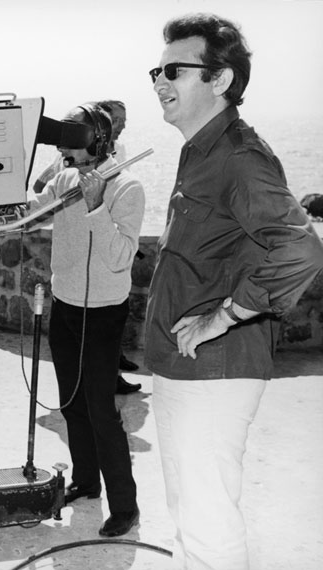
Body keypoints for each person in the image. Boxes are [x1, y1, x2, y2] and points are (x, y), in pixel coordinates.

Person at [145, 14, 323, 569]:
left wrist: (221, 318)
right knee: (188, 508)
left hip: (215, 369)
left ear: (220, 80)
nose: (159, 81)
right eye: (157, 69)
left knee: (209, 521)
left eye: (175, 69)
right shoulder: (198, 149)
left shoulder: (239, 158)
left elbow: (300, 251)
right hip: (184, 366)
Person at [28, 102, 144, 537]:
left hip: (103, 312)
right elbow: (29, 212)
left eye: (72, 143)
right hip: (66, 303)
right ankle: (85, 480)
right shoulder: (64, 179)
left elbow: (119, 258)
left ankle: (126, 506)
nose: (63, 151)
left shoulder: (127, 187)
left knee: (100, 410)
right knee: (72, 404)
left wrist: (97, 207)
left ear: (97, 141)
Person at [96, 99, 142, 394]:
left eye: (125, 120)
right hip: (96, 245)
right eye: (118, 120)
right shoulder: (80, 156)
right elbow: (41, 186)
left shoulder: (120, 152)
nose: (123, 125)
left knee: (117, 315)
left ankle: (115, 367)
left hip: (114, 241)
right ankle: (107, 377)